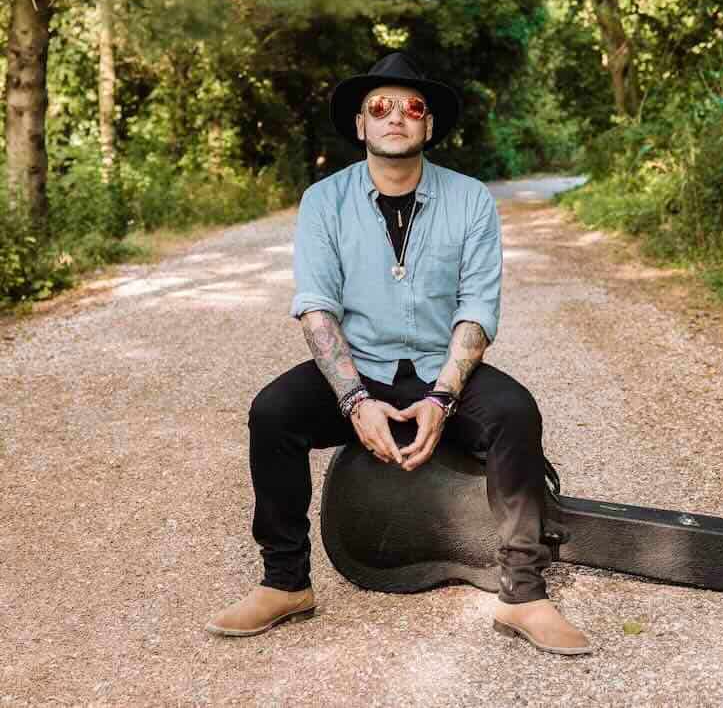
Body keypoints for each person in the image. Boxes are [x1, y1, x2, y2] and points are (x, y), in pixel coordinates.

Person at [205, 52, 592, 655]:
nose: (395, 117)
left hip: (441, 367)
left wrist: (442, 397)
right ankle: (285, 583)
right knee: (272, 413)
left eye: (411, 107)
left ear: (427, 125)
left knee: (515, 412)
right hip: (359, 368)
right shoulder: (323, 201)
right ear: (360, 123)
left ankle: (522, 593)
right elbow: (316, 309)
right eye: (379, 107)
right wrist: (355, 401)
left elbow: (477, 309)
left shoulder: (470, 200)